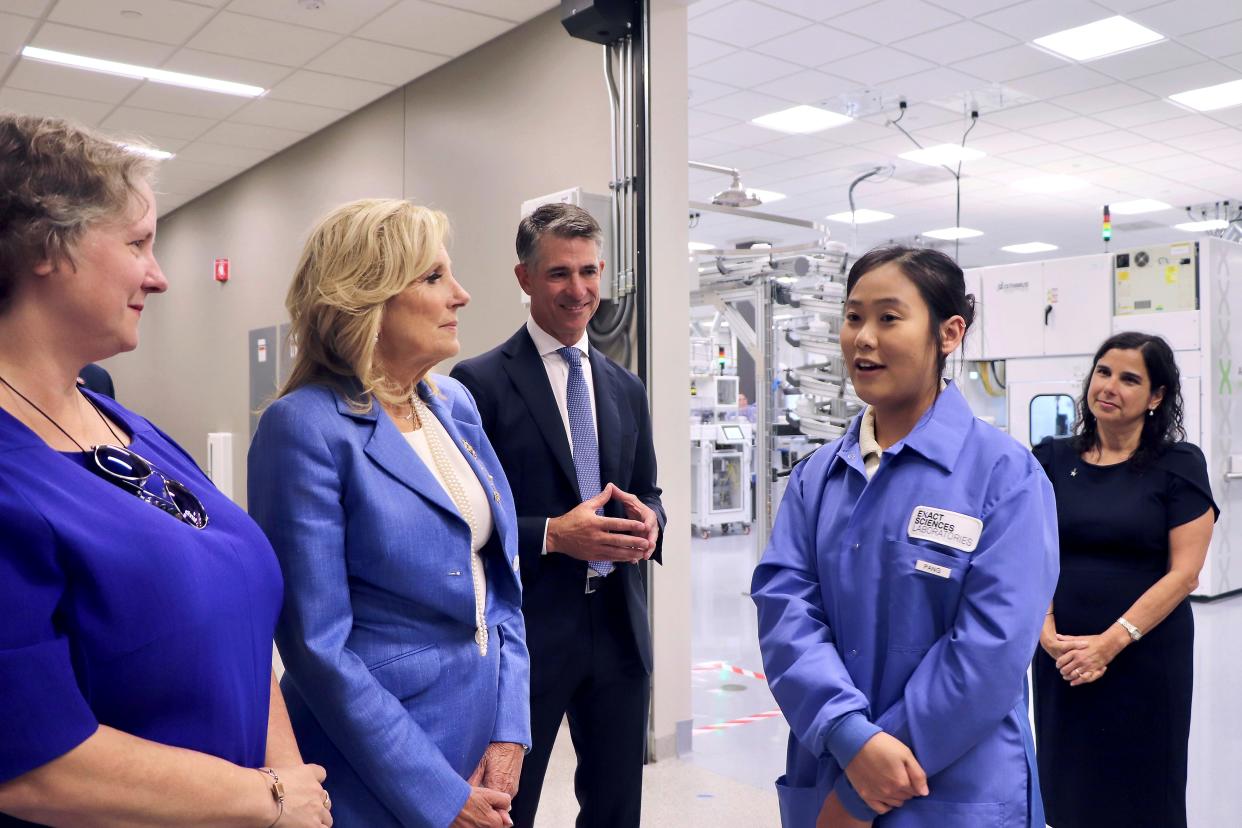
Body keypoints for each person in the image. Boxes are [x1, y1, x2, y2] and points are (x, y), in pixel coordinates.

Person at [0, 114, 330, 827]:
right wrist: (265, 799)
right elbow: (29, 764)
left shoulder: (127, 429)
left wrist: (287, 782)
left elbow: (243, 625)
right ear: (45, 247)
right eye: (139, 243)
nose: (159, 276)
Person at [751, 245, 1059, 828]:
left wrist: (863, 789)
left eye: (889, 318)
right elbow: (784, 611)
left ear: (949, 333)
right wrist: (846, 734)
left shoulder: (1005, 477)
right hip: (828, 763)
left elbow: (990, 650)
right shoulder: (818, 477)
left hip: (953, 785)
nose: (863, 338)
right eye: (853, 316)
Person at [248, 199, 530, 828]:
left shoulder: (452, 403)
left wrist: (510, 730)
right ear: (365, 301)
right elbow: (317, 645)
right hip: (374, 762)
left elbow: (499, 586)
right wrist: (438, 795)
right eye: (432, 278)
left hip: (480, 733)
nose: (460, 294)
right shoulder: (304, 428)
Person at [451, 202, 664, 827]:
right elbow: (462, 519)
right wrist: (551, 534)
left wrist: (651, 522)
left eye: (590, 272)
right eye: (559, 274)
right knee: (508, 806)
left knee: (616, 809)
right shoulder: (478, 384)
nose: (579, 291)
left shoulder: (626, 387)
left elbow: (649, 490)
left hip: (620, 628)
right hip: (530, 633)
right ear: (524, 278)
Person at [1031, 331, 1216, 828]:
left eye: (1129, 378)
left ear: (1156, 397)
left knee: (1142, 784)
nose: (1109, 386)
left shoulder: (1177, 466)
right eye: (1104, 372)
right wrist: (1044, 630)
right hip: (1060, 654)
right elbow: (1029, 550)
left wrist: (1108, 645)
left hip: (1144, 654)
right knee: (1068, 783)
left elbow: (1184, 574)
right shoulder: (1050, 458)